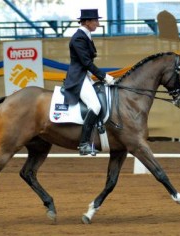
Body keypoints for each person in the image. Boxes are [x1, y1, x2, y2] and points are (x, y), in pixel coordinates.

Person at [63, 9, 115, 156]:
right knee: (96, 105)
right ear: (86, 22)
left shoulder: (86, 35)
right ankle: (84, 143)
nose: (98, 24)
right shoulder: (79, 38)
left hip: (85, 76)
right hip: (78, 78)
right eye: (95, 21)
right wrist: (104, 76)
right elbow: (86, 62)